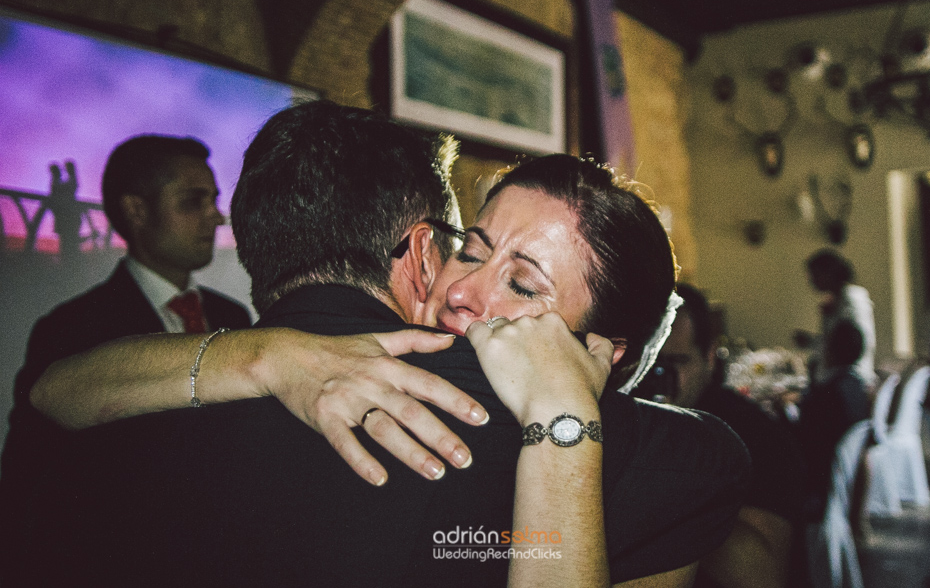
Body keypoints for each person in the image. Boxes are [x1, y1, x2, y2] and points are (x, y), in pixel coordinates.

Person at [27, 102, 748, 587]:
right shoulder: (607, 446)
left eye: (524, 286)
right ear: (426, 251)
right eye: (473, 248)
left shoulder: (132, 404)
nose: (466, 292)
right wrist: (265, 355)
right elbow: (716, 463)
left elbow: (51, 395)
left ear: (605, 348)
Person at [0, 135, 253, 585]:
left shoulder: (232, 316)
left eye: (214, 200)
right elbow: (33, 487)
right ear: (136, 211)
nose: (217, 216)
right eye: (194, 202)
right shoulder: (73, 330)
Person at [632, 283, 804, 588]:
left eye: (675, 363)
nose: (658, 377)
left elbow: (762, 577)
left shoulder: (753, 435)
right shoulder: (623, 420)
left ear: (709, 358)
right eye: (648, 362)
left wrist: (664, 464)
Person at [793, 319, 871, 520]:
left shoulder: (826, 394)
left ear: (831, 351)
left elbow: (803, 437)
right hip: (840, 481)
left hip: (818, 484)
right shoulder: (858, 386)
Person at [799, 249, 876, 387]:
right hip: (837, 377)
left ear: (829, 273)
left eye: (815, 274)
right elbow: (833, 342)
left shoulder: (853, 299)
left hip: (850, 379)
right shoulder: (836, 300)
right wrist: (811, 340)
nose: (811, 281)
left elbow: (856, 343)